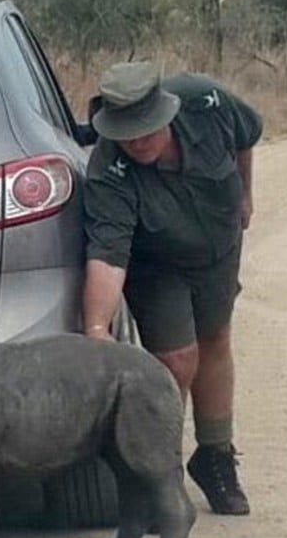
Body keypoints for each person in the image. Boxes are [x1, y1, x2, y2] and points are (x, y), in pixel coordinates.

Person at [81, 61, 263, 515]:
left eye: (146, 130)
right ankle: (160, 472)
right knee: (177, 360)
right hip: (157, 263)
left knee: (215, 339)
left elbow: (245, 139)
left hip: (218, 248)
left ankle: (216, 456)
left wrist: (245, 193)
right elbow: (107, 255)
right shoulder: (109, 169)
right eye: (126, 133)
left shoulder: (206, 101)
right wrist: (97, 331)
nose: (137, 142)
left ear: (165, 113)